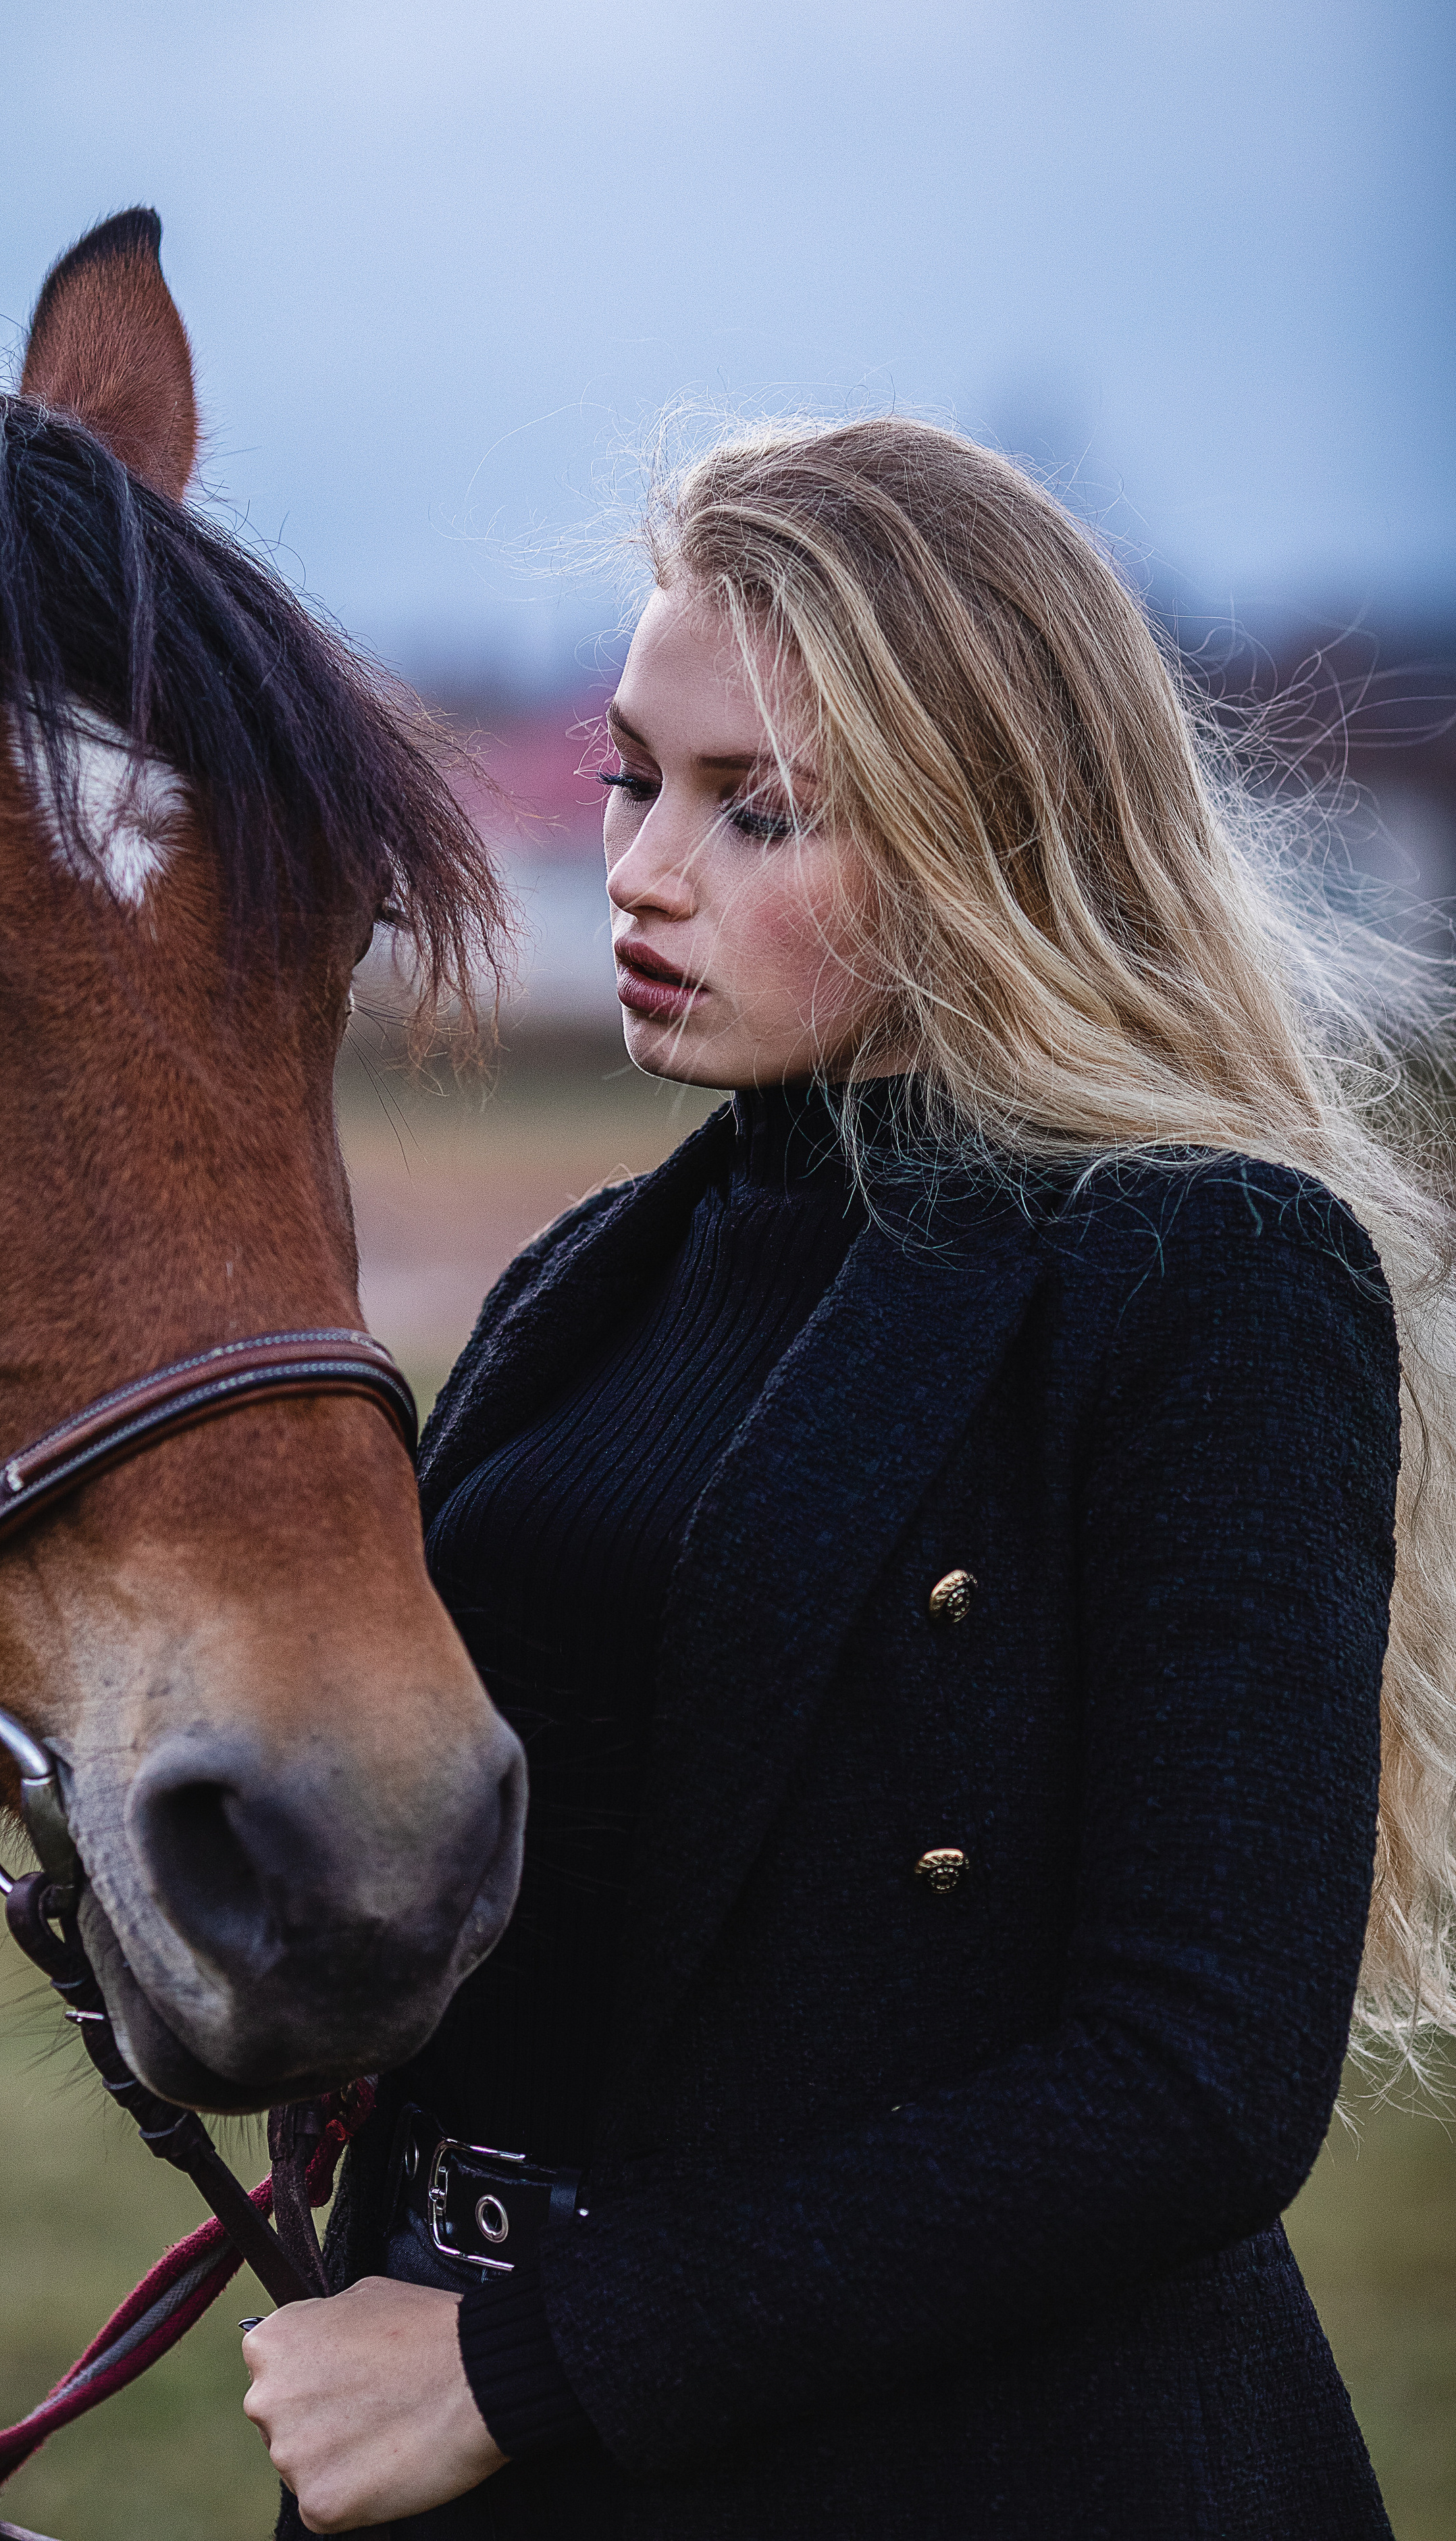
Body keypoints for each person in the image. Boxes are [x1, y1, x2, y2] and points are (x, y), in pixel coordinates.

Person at [242, 416, 1456, 2538]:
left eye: (760, 811)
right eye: (635, 777)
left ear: (996, 834)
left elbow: (1193, 2087)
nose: (636, 868)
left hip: (966, 2466)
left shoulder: (1207, 1270)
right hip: (465, 2435)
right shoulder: (602, 1274)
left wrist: (527, 2364)